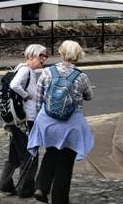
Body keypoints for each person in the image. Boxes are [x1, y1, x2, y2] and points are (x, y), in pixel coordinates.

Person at [27, 40, 94, 204]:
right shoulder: (81, 76)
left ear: (61, 53)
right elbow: (89, 96)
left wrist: (38, 120)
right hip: (70, 125)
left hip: (48, 122)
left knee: (51, 152)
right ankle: (59, 199)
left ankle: (41, 188)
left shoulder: (48, 72)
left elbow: (39, 97)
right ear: (78, 55)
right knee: (65, 160)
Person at [0, 44, 48, 197]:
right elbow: (14, 85)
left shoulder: (22, 69)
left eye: (45, 56)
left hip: (17, 121)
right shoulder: (26, 70)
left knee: (14, 155)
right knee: (30, 156)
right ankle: (24, 190)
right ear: (30, 56)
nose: (43, 59)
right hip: (25, 121)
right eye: (41, 56)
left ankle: (5, 184)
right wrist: (26, 96)